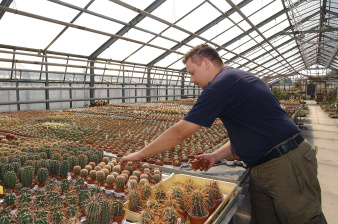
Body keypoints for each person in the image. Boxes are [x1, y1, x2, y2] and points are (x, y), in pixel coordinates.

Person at [119, 44, 326, 224]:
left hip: (285, 163)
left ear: (207, 64)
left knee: (303, 219)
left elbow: (180, 133)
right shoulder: (235, 78)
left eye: (192, 72)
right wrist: (216, 156)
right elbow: (249, 132)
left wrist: (139, 154)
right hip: (265, 166)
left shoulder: (221, 85)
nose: (191, 80)